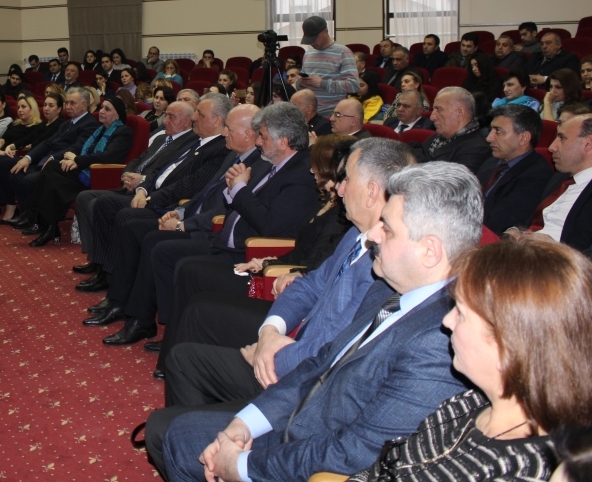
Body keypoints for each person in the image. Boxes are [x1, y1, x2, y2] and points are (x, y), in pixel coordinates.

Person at [162, 161, 479, 482]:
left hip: (319, 458)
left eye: (388, 228)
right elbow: (321, 364)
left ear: (430, 251)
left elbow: (355, 452)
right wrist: (245, 423)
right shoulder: (390, 291)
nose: (373, 235)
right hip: (302, 420)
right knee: (182, 432)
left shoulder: (443, 339)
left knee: (180, 438)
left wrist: (242, 466)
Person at [146, 139, 412, 460]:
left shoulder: (386, 265)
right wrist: (270, 331)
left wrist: (269, 355)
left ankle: (210, 443)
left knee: (164, 428)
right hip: (290, 350)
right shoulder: (357, 235)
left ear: (371, 191)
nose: (339, 189)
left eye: (346, 180)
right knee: (183, 359)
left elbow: (331, 350)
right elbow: (308, 285)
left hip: (303, 386)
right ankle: (209, 443)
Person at [351, 236, 592, 482]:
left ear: (508, 347)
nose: (447, 321)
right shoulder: (469, 403)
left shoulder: (523, 470)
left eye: (462, 313)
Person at [106, 104, 321, 347]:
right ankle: (152, 324)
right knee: (158, 245)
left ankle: (169, 333)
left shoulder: (296, 173)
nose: (259, 141)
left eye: (262, 136)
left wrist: (237, 189)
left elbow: (267, 225)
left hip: (247, 249)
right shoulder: (275, 164)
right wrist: (229, 191)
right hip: (226, 236)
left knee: (171, 255)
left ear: (282, 141)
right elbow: (215, 197)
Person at [78, 97, 231, 294]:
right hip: (150, 192)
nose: (194, 117)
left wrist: (149, 198)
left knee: (119, 213)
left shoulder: (217, 148)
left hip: (169, 204)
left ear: (217, 120)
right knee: (100, 203)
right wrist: (142, 189)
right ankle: (105, 271)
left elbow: (189, 185)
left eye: (199, 114)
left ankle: (112, 278)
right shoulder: (194, 141)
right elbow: (159, 168)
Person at [26, 98, 133, 247]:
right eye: (102, 107)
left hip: (98, 176)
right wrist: (71, 158)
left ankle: (40, 221)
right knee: (52, 168)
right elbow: (83, 148)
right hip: (84, 170)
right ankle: (47, 224)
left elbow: (107, 156)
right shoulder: (100, 130)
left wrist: (77, 160)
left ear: (118, 115)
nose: (101, 111)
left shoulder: (123, 132)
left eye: (107, 109)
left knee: (55, 180)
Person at [2, 88, 100, 227]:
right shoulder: (67, 123)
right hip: (48, 159)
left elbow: (77, 148)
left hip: (64, 165)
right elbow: (47, 143)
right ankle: (28, 215)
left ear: (84, 105)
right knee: (16, 174)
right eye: (67, 103)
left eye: (73, 103)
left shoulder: (90, 124)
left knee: (29, 179)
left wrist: (54, 157)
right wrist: (28, 158)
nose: (68, 106)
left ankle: (35, 219)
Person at [517, 113, 592, 253]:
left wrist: (558, 251)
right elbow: (532, 218)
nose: (551, 147)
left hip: (557, 261)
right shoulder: (560, 177)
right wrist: (516, 231)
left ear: (588, 144)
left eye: (561, 138)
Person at [0, 93, 65, 223]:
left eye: (51, 106)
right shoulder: (44, 125)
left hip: (40, 159)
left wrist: (27, 148)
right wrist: (11, 146)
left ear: (59, 109)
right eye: (45, 105)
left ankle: (12, 208)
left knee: (3, 163)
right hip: (32, 156)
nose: (46, 108)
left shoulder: (60, 124)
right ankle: (9, 206)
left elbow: (40, 143)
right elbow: (27, 139)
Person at [475, 104, 553, 234]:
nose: (489, 138)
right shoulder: (491, 162)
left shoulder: (537, 176)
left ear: (523, 138)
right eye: (491, 130)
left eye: (498, 131)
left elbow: (498, 224)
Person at [0, 94, 46, 217]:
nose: (20, 110)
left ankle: (8, 206)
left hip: (21, 156)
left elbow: (30, 145)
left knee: (0, 163)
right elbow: (2, 140)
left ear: (32, 108)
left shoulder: (39, 126)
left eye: (23, 107)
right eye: (18, 107)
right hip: (5, 154)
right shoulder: (15, 124)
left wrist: (5, 151)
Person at [295, 16, 359, 117]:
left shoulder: (343, 52)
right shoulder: (308, 54)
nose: (312, 43)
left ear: (326, 32)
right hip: (309, 114)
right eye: (309, 40)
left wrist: (322, 83)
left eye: (315, 39)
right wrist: (301, 83)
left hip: (332, 114)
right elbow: (300, 85)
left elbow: (353, 85)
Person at [417, 87, 491, 172]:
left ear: (460, 113)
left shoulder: (477, 149)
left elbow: (449, 179)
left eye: (439, 109)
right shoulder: (434, 138)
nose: (432, 117)